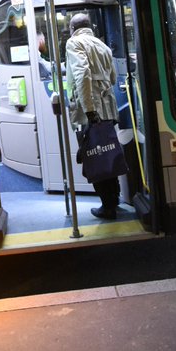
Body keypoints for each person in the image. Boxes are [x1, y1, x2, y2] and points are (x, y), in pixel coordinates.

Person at [65, 13, 120, 219]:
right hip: (108, 109)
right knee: (108, 153)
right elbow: (113, 78)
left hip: (93, 112)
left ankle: (107, 207)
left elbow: (82, 74)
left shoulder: (74, 43)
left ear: (72, 28)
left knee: (95, 157)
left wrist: (89, 109)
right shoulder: (102, 45)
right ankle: (114, 201)